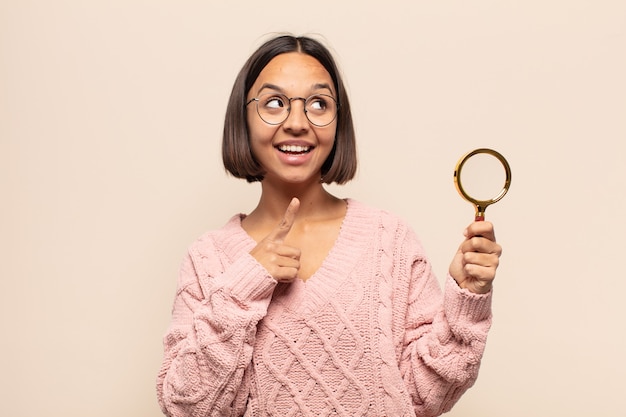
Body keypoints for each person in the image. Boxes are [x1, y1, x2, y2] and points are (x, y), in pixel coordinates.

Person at [156, 34, 502, 417]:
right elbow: (186, 407)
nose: (297, 123)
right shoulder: (208, 259)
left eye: (319, 104)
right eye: (275, 103)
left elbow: (424, 397)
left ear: (339, 122)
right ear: (243, 117)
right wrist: (247, 280)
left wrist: (466, 300)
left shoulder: (390, 241)